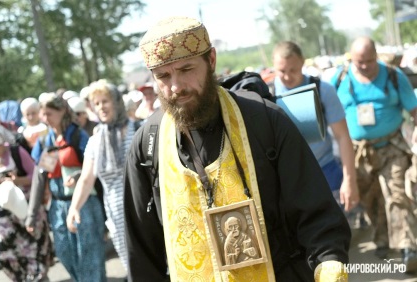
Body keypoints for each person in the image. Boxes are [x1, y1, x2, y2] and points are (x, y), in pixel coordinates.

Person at [123, 16, 350, 282]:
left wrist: (330, 267)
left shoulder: (265, 121)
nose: (175, 87)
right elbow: (142, 252)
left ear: (211, 60)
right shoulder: (147, 145)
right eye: (163, 76)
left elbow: (318, 216)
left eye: (186, 69)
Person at [329, 36, 417, 272]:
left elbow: (415, 109)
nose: (366, 66)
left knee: (397, 193)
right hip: (357, 151)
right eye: (360, 62)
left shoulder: (393, 76)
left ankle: (408, 248)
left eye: (370, 60)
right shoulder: (338, 78)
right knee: (371, 198)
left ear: (376, 56)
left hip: (391, 145)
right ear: (351, 59)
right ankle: (383, 238)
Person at [271, 41, 359, 212]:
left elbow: (342, 137)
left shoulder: (323, 90)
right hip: (289, 179)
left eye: (293, 70)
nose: (288, 77)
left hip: (326, 172)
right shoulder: (267, 95)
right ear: (274, 66)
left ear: (303, 62)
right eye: (282, 71)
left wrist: (349, 180)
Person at [28, 96, 106, 281]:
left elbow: (94, 167)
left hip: (83, 204)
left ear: (62, 111)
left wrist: (78, 176)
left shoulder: (79, 136)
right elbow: (39, 178)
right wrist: (32, 214)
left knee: (89, 257)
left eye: (50, 113)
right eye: (43, 114)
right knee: (64, 253)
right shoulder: (44, 141)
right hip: (57, 206)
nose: (46, 118)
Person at [66, 79, 141, 272]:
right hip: (116, 215)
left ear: (116, 102)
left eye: (105, 101)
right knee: (132, 267)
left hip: (143, 208)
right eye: (96, 103)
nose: (101, 107)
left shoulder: (139, 129)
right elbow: (86, 178)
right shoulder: (95, 140)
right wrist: (74, 208)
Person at [0, 123, 53, 281]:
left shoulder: (16, 152)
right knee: (7, 253)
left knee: (34, 250)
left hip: (27, 210)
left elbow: (36, 176)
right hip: (3, 218)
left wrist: (18, 180)